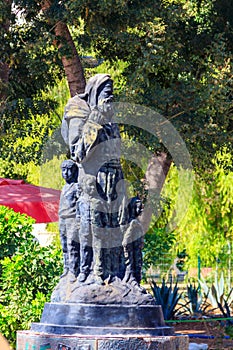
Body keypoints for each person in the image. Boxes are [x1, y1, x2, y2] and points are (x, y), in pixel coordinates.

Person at [76, 174, 108, 285]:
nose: (93, 188)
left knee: (97, 251)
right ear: (84, 186)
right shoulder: (80, 201)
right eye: (90, 185)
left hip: (97, 231)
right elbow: (78, 216)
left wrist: (104, 228)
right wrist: (79, 226)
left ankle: (97, 273)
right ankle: (83, 271)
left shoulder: (99, 202)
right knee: (84, 249)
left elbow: (105, 217)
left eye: (94, 186)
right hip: (84, 231)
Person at [58, 159, 80, 283]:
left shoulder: (76, 187)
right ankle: (66, 268)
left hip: (72, 219)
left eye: (68, 170)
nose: (65, 173)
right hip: (63, 219)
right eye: (63, 170)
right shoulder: (65, 187)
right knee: (64, 245)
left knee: (72, 245)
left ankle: (73, 270)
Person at [122, 197, 144, 285]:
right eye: (139, 207)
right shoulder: (133, 223)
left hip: (137, 250)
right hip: (133, 252)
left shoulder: (136, 221)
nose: (141, 210)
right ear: (133, 208)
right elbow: (126, 240)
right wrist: (126, 250)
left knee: (138, 268)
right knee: (136, 269)